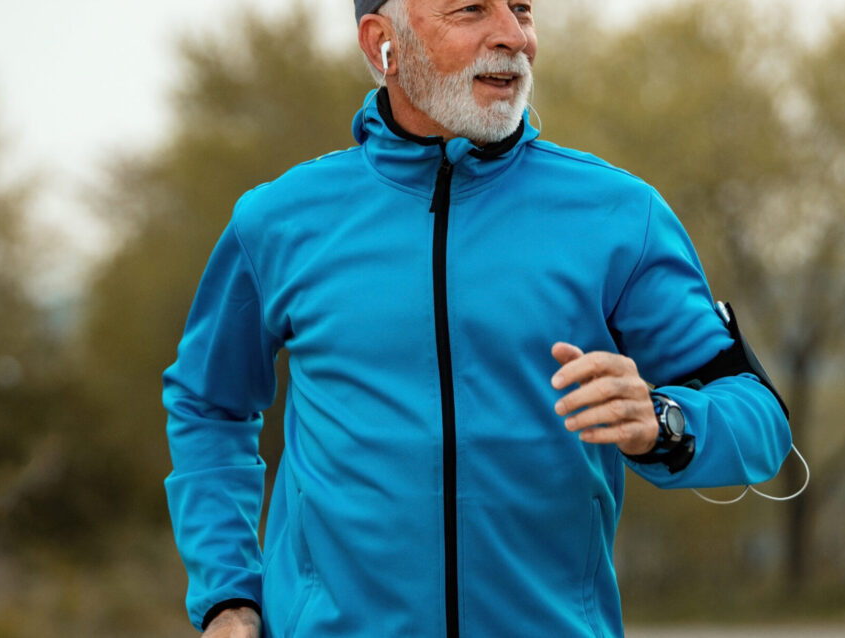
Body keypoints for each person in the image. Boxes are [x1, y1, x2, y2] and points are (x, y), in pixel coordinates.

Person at [163, 1, 793, 636]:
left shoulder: (620, 215)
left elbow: (759, 418)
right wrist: (227, 594)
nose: (513, 36)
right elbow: (208, 405)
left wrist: (662, 422)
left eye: (522, 8)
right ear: (383, 42)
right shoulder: (278, 222)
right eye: (471, 9)